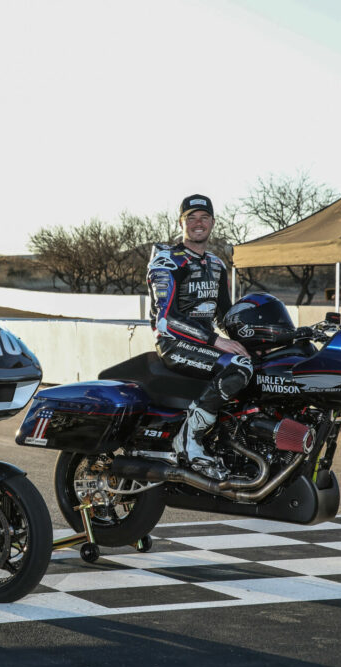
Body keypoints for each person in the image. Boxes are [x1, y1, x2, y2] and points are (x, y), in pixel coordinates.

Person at [147, 194, 252, 475]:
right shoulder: (167, 262)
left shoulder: (217, 265)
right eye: (191, 217)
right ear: (181, 223)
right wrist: (216, 340)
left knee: (257, 362)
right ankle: (188, 438)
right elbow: (166, 319)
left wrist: (259, 340)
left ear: (213, 223)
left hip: (206, 345)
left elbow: (226, 316)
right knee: (239, 366)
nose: (198, 223)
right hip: (174, 345)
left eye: (204, 217)